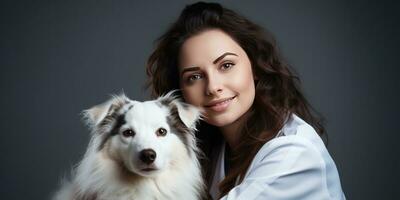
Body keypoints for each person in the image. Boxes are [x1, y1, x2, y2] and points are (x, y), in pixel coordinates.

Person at [145, 2, 346, 200]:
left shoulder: (294, 154)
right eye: (194, 77)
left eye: (226, 65)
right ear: (181, 93)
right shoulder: (213, 149)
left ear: (255, 67)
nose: (213, 87)